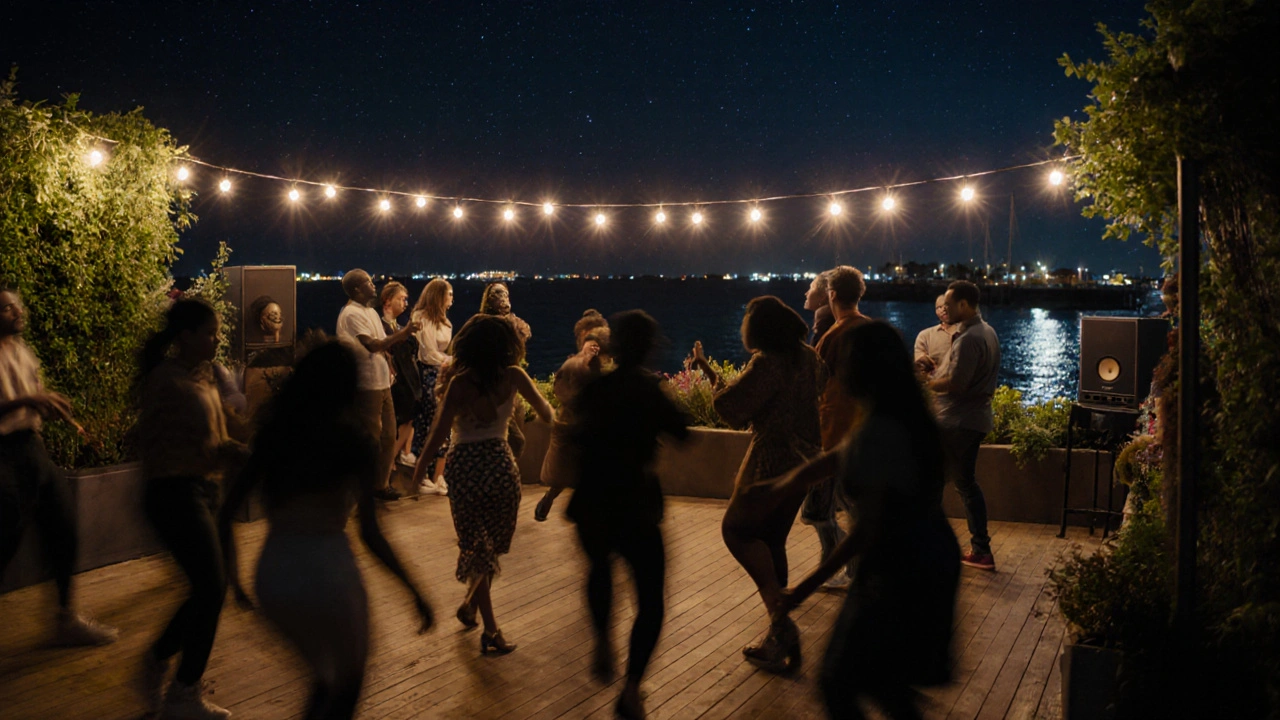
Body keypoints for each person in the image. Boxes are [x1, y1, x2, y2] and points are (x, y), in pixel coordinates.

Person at [218, 339, 434, 720]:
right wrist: (413, 590)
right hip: (328, 572)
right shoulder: (355, 442)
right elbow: (370, 532)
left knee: (323, 678)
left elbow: (226, 514)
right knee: (345, 686)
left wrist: (234, 582)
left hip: (274, 573)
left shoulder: (275, 434)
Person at [775, 321, 960, 720]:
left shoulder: (884, 429)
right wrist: (786, 482)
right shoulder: (898, 415)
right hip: (923, 562)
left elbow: (867, 531)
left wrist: (801, 590)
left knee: (839, 680)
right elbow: (844, 454)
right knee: (885, 686)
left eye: (845, 362)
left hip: (903, 570)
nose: (837, 371)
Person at [689, 296, 824, 674]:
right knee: (772, 541)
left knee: (737, 531)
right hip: (805, 463)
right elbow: (817, 387)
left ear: (759, 327)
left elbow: (731, 409)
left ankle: (781, 621)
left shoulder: (768, 360)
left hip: (769, 463)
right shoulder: (809, 356)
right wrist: (709, 370)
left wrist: (712, 380)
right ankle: (776, 636)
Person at [568, 310, 690, 720]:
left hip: (592, 498)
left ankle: (602, 639)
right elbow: (683, 435)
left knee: (599, 568)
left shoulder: (596, 389)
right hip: (635, 501)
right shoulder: (649, 391)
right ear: (649, 347)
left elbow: (574, 435)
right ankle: (632, 686)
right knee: (650, 599)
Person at [410, 315, 553, 654]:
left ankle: (473, 605)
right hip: (500, 465)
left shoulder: (459, 383)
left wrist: (419, 469)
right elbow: (546, 413)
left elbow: (439, 433)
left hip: (465, 467)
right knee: (489, 547)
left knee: (476, 547)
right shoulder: (514, 376)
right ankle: (490, 629)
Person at [135, 299, 248, 720]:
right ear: (184, 336)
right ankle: (181, 689)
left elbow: (216, 436)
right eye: (210, 332)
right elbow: (169, 440)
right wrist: (234, 450)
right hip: (173, 492)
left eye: (217, 332)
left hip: (203, 490)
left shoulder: (203, 376)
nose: (217, 339)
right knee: (210, 587)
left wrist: (242, 449)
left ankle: (160, 664)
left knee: (208, 588)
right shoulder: (166, 380)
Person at [0, 287, 118, 648]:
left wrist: (49, 404)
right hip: (2, 453)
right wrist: (30, 399)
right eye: (7, 308)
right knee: (4, 539)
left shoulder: (21, 350)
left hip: (31, 446)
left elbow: (34, 392)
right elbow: (21, 399)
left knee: (64, 528)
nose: (17, 312)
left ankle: (65, 619)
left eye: (17, 306)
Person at [806, 265, 872, 590]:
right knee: (851, 509)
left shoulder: (831, 338)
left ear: (831, 295)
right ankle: (852, 569)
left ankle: (847, 569)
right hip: (868, 437)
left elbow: (815, 390)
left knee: (823, 510)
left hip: (834, 439)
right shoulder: (873, 332)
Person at [927, 280, 1000, 571]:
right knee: (964, 483)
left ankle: (932, 547)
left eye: (949, 303)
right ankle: (979, 549)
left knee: (934, 484)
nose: (944, 308)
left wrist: (928, 383)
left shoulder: (969, 338)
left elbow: (957, 383)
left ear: (964, 305)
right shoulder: (988, 332)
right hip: (972, 419)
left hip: (958, 422)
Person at [336, 269, 420, 502]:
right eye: (368, 283)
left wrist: (389, 361)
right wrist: (403, 333)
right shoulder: (352, 314)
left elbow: (381, 346)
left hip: (381, 382)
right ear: (356, 289)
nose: (374, 285)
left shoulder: (370, 312)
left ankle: (380, 485)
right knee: (370, 437)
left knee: (388, 434)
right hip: (366, 384)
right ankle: (361, 486)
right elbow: (372, 345)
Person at [534, 309, 609, 522]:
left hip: (590, 423)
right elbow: (563, 390)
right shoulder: (574, 364)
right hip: (573, 423)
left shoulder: (599, 361)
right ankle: (549, 499)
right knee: (566, 471)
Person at [408, 278, 453, 495]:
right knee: (427, 422)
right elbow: (427, 352)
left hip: (443, 372)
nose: (452, 298)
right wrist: (450, 360)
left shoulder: (446, 322)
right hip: (427, 373)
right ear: (439, 295)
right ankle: (422, 474)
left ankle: (439, 475)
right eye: (449, 294)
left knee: (446, 422)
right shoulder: (421, 318)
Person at [378, 282, 422, 482]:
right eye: (401, 299)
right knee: (394, 422)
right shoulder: (382, 327)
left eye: (406, 299)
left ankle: (393, 459)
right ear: (388, 301)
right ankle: (386, 465)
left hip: (405, 383)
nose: (405, 303)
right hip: (393, 383)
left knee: (407, 419)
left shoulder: (398, 326)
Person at [913, 294, 957, 378]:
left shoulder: (968, 333)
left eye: (947, 305)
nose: (943, 309)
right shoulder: (925, 336)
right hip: (935, 386)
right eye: (939, 307)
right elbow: (920, 365)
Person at [804, 270, 835, 344]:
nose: (806, 293)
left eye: (812, 288)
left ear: (823, 295)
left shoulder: (824, 327)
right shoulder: (827, 322)